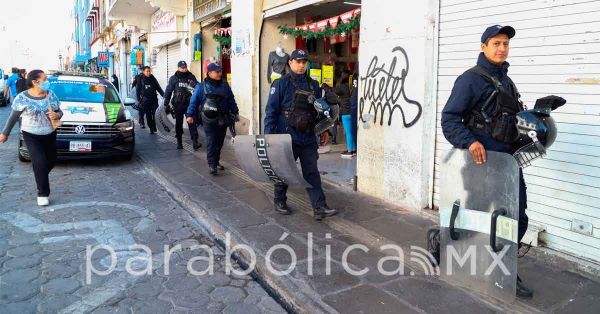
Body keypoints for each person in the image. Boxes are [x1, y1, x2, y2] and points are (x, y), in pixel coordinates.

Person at [441, 25, 532, 298]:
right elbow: (449, 119)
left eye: (505, 43)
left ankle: (502, 269)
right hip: (480, 167)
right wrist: (470, 142)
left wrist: (534, 125)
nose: (502, 48)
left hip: (507, 165)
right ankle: (442, 244)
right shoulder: (469, 80)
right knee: (473, 221)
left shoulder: (508, 81)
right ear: (483, 47)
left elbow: (511, 121)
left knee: (516, 220)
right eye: (496, 43)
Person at [264, 49, 338, 221]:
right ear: (290, 63)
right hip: (287, 136)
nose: (301, 65)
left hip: (308, 136)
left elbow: (319, 111)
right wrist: (269, 137)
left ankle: (319, 207)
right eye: (298, 62)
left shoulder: (313, 85)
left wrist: (324, 130)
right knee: (284, 170)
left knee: (311, 171)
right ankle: (280, 200)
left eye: (304, 62)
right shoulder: (280, 84)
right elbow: (271, 112)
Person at [0, 70, 63, 206]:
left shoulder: (51, 95)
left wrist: (57, 115)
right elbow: (13, 117)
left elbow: (60, 111)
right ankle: (42, 193)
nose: (47, 81)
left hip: (50, 133)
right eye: (45, 79)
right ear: (35, 82)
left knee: (51, 160)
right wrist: (5, 133)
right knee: (39, 161)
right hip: (31, 135)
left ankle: (40, 175)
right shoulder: (22, 97)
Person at [187, 63, 238, 175]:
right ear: (209, 73)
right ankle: (212, 164)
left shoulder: (225, 85)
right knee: (211, 140)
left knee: (219, 141)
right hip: (208, 119)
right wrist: (189, 115)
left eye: (220, 71)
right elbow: (193, 102)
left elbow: (231, 99)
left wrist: (235, 112)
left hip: (223, 118)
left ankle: (216, 160)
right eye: (217, 71)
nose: (220, 73)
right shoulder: (201, 87)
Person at [164, 61, 200, 150]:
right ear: (178, 68)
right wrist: (166, 104)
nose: (184, 69)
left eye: (185, 67)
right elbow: (168, 91)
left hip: (189, 104)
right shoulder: (174, 78)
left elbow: (198, 88)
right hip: (178, 104)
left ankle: (195, 142)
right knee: (179, 124)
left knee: (192, 122)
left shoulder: (191, 77)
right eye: (182, 68)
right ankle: (179, 142)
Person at [136, 66, 164, 134]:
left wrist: (165, 96)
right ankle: (151, 128)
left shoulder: (153, 79)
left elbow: (158, 88)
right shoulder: (141, 79)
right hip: (145, 101)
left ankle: (154, 126)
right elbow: (137, 91)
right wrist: (139, 100)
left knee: (155, 114)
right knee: (148, 115)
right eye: (147, 71)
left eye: (149, 71)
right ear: (143, 72)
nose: (148, 72)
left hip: (154, 100)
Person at [335, 69, 355, 158]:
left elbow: (334, 92)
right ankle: (353, 149)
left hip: (345, 113)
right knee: (352, 131)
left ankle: (350, 151)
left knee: (348, 132)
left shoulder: (341, 86)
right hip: (352, 111)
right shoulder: (352, 86)